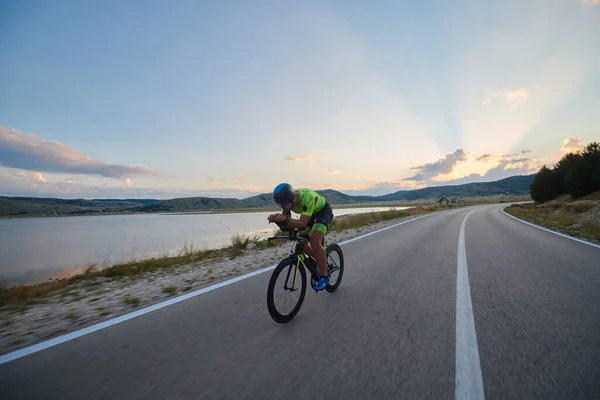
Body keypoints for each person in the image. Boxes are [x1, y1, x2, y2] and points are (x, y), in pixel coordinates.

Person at [267, 183, 334, 291]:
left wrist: (285, 219)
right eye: (279, 205)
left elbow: (302, 224)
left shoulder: (307, 197)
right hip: (310, 216)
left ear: (291, 198)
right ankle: (320, 259)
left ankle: (324, 276)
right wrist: (277, 219)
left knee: (314, 239)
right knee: (300, 241)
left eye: (283, 203)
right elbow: (287, 226)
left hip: (322, 212)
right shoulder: (287, 203)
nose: (282, 207)